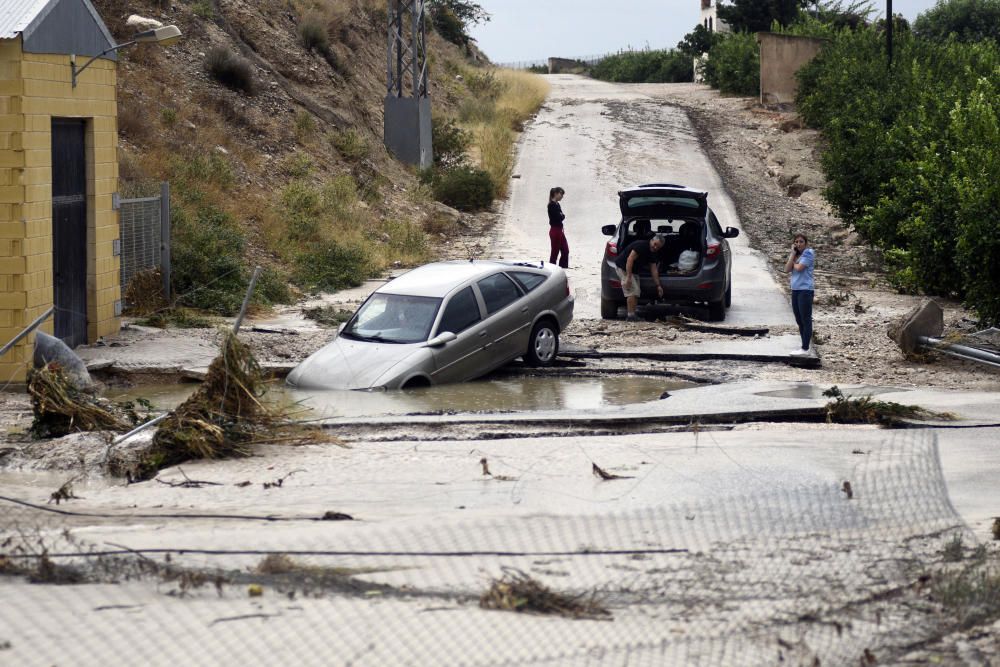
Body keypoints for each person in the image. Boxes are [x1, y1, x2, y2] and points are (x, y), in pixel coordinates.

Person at [614, 234, 666, 321]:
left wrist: (658, 285)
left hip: (634, 270)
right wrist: (628, 277)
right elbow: (629, 259)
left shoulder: (653, 253)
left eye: (658, 247)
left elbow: (654, 269)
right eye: (655, 244)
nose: (656, 247)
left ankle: (633, 314)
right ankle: (630, 316)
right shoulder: (641, 246)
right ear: (652, 240)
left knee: (636, 292)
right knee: (632, 291)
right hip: (623, 267)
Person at [785, 233, 815, 355]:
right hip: (795, 289)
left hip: (805, 290)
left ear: (806, 243)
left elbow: (799, 268)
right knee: (799, 319)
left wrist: (794, 263)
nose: (798, 244)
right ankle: (804, 345)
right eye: (796, 242)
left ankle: (805, 348)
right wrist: (792, 255)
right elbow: (787, 269)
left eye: (801, 241)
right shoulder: (796, 255)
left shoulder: (809, 253)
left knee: (805, 318)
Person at [547, 187, 568, 268]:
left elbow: (562, 216)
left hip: (559, 230)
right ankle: (552, 269)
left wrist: (561, 216)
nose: (562, 196)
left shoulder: (557, 204)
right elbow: (558, 217)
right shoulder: (551, 205)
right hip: (555, 230)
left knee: (565, 250)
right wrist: (561, 216)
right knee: (555, 252)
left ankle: (562, 268)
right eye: (561, 194)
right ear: (555, 193)